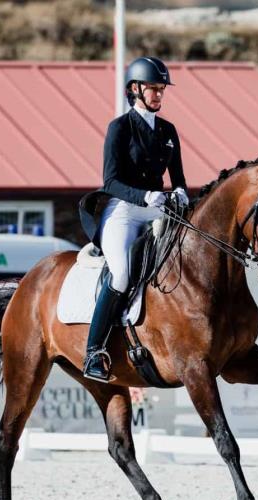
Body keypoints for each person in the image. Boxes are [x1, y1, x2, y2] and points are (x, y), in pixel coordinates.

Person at [78, 56, 188, 383]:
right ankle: (94, 351)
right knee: (122, 274)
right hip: (123, 210)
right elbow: (110, 181)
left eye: (161, 89)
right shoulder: (119, 128)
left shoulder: (168, 131)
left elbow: (179, 178)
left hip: (157, 208)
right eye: (153, 88)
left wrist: (181, 192)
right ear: (135, 89)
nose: (159, 94)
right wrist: (144, 196)